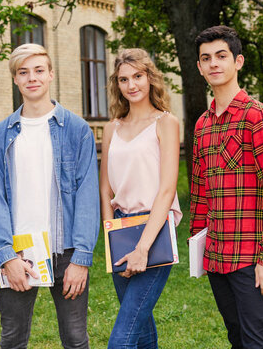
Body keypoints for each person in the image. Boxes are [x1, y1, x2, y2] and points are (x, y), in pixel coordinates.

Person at [0, 43, 100, 349]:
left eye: (38, 70)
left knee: (75, 339)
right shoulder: (0, 134)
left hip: (67, 251)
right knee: (12, 339)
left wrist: (82, 259)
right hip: (18, 252)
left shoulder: (77, 130)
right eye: (24, 72)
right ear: (15, 80)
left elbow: (88, 196)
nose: (32, 78)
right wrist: (6, 257)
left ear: (50, 75)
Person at [189, 25, 263, 349]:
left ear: (238, 62)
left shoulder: (257, 117)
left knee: (257, 343)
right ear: (199, 67)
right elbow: (200, 191)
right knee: (237, 339)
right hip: (218, 257)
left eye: (221, 56)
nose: (214, 64)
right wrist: (199, 250)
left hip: (252, 258)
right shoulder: (202, 124)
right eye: (206, 58)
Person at [100, 48, 182, 348]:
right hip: (120, 230)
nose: (131, 85)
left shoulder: (166, 123)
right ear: (116, 84)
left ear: (150, 79)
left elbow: (166, 190)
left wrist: (143, 247)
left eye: (138, 76)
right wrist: (110, 234)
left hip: (155, 229)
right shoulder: (112, 128)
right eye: (124, 79)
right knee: (140, 325)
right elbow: (106, 189)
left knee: (122, 336)